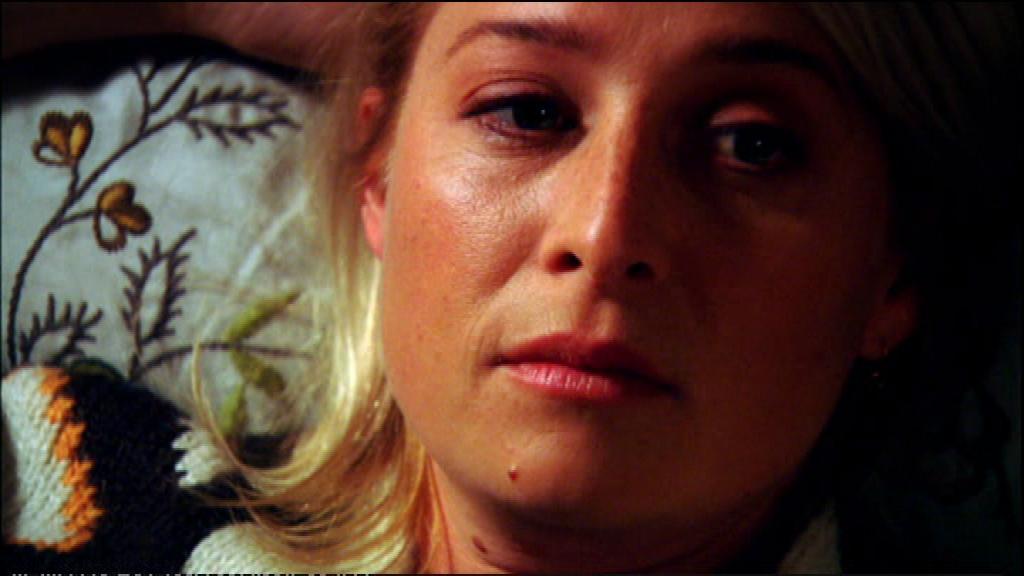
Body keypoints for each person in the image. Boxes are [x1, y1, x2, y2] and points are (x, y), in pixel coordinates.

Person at [2, 3, 1019, 573]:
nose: (605, 233)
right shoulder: (63, 477)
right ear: (379, 179)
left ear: (894, 273)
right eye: (527, 112)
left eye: (751, 144)